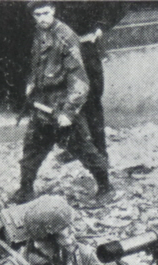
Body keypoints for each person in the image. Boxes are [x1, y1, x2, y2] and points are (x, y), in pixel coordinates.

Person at [13, 0, 115, 206]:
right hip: (42, 105)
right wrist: (31, 85)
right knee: (31, 152)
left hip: (61, 107)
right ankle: (25, 190)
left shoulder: (65, 36)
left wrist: (68, 112)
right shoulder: (39, 33)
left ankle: (106, 187)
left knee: (85, 151)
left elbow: (79, 80)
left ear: (54, 11)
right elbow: (37, 65)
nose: (42, 18)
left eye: (45, 13)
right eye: (37, 15)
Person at [55, 2, 129, 160]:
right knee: (65, 98)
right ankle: (75, 147)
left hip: (86, 47)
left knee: (92, 100)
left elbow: (121, 4)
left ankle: (100, 153)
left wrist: (101, 27)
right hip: (60, 49)